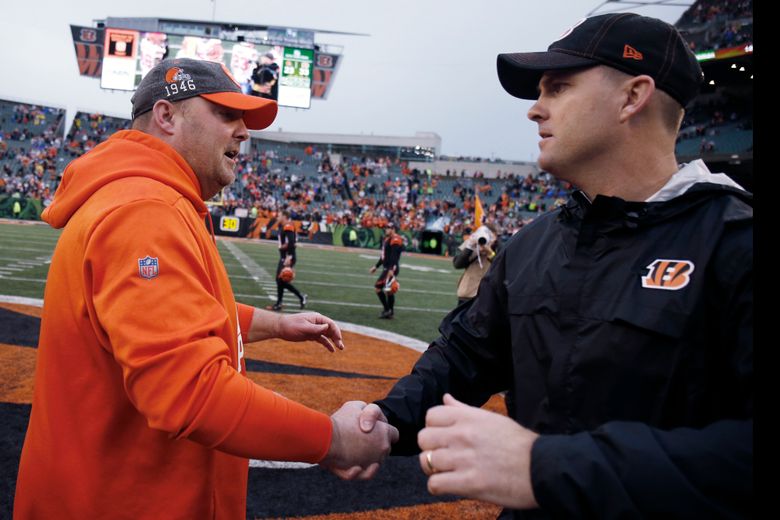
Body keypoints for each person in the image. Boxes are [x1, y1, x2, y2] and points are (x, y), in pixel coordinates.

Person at [361, 13, 752, 518]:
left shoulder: (735, 244)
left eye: (559, 87)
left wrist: (547, 465)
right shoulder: (534, 243)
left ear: (632, 97)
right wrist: (387, 419)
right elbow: (466, 355)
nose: (534, 110)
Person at [14, 58, 398, 518]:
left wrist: (273, 323)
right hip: (119, 499)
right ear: (167, 116)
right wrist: (332, 440)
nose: (243, 132)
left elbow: (168, 315)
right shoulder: (144, 210)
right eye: (225, 114)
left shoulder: (151, 199)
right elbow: (188, 389)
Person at [268, 209, 307, 311]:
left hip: (287, 257)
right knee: (280, 280)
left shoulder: (288, 226)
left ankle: (297, 298)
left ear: (284, 216)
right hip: (285, 256)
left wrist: (289, 257)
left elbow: (291, 243)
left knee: (280, 279)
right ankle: (296, 298)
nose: (278, 217)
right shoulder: (285, 226)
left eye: (279, 215)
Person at [452, 223, 497, 305]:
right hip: (468, 291)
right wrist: (470, 247)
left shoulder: (498, 247)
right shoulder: (471, 243)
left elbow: (500, 265)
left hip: (486, 294)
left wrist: (490, 252)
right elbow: (457, 264)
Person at [369, 222, 404, 319]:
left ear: (393, 229)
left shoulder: (396, 239)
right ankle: (389, 311)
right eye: (386, 228)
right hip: (387, 268)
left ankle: (388, 310)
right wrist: (376, 266)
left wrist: (391, 269)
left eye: (388, 228)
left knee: (382, 288)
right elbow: (383, 256)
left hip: (390, 268)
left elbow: (394, 256)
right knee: (386, 290)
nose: (386, 229)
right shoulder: (388, 239)